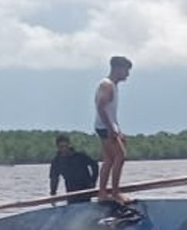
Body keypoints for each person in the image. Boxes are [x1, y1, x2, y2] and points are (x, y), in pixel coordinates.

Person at [94, 55, 132, 203]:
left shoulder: (113, 86)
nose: (127, 74)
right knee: (120, 156)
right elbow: (100, 107)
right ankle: (115, 192)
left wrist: (118, 130)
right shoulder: (107, 85)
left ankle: (102, 193)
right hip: (105, 126)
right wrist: (110, 129)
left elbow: (111, 112)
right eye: (126, 70)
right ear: (117, 69)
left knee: (109, 159)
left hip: (108, 125)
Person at [49, 134, 98, 204]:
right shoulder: (57, 162)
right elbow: (54, 178)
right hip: (71, 192)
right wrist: (53, 194)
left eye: (66, 146)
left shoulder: (80, 156)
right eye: (61, 147)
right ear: (58, 147)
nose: (64, 149)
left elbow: (94, 165)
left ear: (69, 145)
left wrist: (93, 181)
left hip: (86, 189)